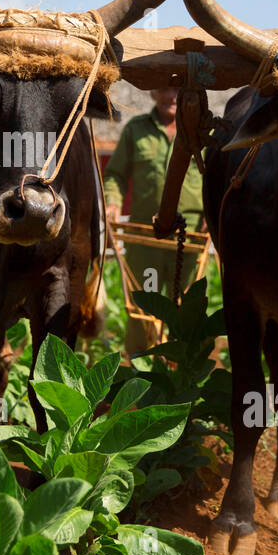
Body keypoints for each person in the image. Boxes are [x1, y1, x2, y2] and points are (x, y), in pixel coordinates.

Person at [103, 86, 206, 356]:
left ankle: (181, 371)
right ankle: (139, 371)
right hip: (145, 238)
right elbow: (114, 174)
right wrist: (112, 201)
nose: (171, 96)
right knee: (143, 305)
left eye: (177, 90)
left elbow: (215, 178)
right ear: (152, 92)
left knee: (187, 306)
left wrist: (211, 213)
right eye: (163, 89)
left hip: (189, 239)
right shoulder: (135, 130)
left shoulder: (202, 133)